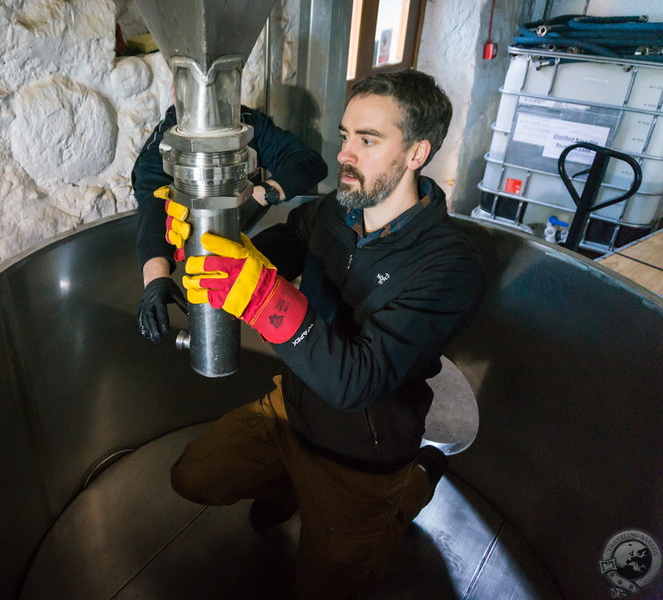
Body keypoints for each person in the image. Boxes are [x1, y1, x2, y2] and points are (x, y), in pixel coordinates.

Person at [163, 69, 486, 600]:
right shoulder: (333, 211)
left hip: (363, 455)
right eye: (344, 136)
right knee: (192, 477)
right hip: (292, 409)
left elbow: (356, 381)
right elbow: (270, 256)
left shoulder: (450, 267)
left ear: (416, 154)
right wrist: (208, 244)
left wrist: (260, 295)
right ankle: (291, 485)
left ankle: (416, 482)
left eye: (368, 140)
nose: (344, 155)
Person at [133, 104, 328, 343]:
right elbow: (153, 199)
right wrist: (156, 278)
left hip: (245, 248)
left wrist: (262, 194)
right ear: (177, 88)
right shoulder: (169, 136)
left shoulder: (247, 123)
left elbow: (309, 162)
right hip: (195, 255)